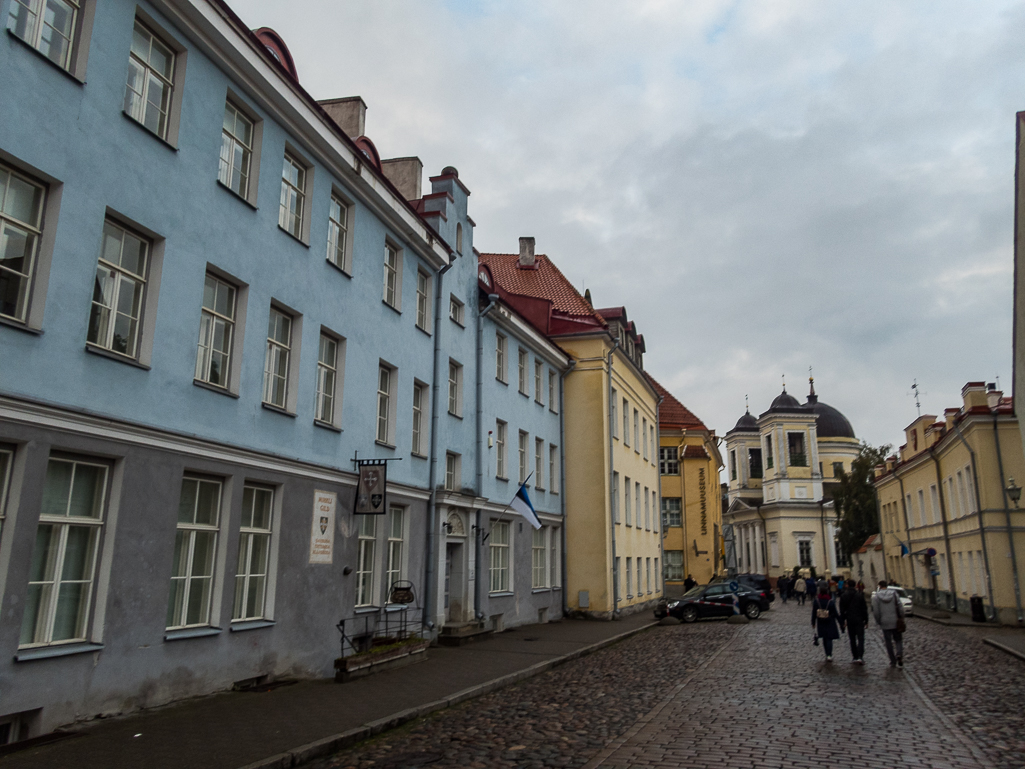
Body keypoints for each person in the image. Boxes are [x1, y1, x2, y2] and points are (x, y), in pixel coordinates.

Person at [871, 580, 906, 667]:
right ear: (887, 586)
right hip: (895, 621)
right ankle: (899, 654)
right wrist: (901, 617)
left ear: (879, 586)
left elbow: (876, 611)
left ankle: (892, 660)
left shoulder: (876, 597)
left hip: (884, 622)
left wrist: (878, 621)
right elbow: (900, 606)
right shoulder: (894, 594)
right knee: (898, 639)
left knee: (888, 642)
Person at [839, 579, 868, 664]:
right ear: (855, 586)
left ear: (847, 585)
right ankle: (860, 656)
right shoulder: (859, 595)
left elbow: (842, 610)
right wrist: (866, 620)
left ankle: (855, 656)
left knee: (852, 639)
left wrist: (843, 621)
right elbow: (864, 609)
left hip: (849, 619)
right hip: (859, 619)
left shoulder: (844, 596)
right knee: (861, 638)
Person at [811, 580, 841, 662]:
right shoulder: (830, 601)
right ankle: (829, 654)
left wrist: (813, 622)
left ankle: (827, 653)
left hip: (820, 621)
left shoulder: (816, 601)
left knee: (824, 638)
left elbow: (814, 612)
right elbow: (835, 613)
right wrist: (841, 622)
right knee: (829, 638)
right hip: (830, 621)